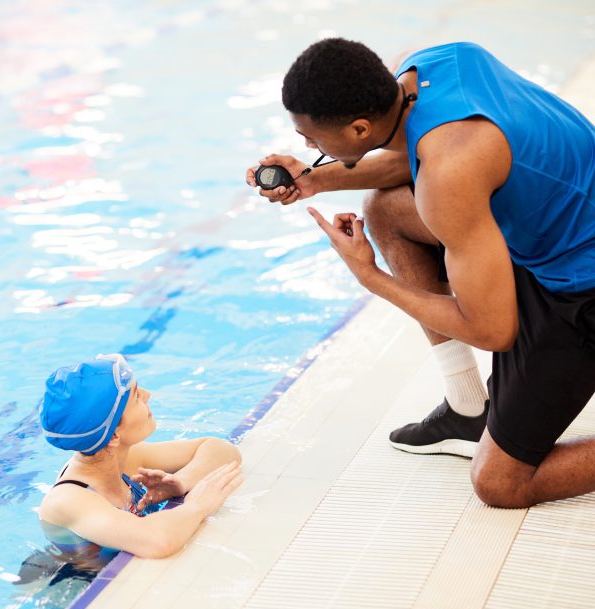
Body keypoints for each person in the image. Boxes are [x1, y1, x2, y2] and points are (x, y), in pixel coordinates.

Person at [248, 38, 595, 508]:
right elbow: (408, 157)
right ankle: (469, 406)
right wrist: (316, 178)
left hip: (579, 288)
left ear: (359, 128)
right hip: (560, 230)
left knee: (500, 485)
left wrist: (371, 277)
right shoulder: (437, 62)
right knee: (387, 210)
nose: (307, 145)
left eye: (311, 137)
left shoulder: (450, 174)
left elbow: (493, 329)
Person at [38, 353, 243, 565]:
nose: (148, 395)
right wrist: (197, 505)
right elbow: (157, 541)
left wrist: (182, 482)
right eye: (136, 396)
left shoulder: (126, 458)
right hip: (78, 585)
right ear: (114, 435)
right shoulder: (68, 500)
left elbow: (222, 450)